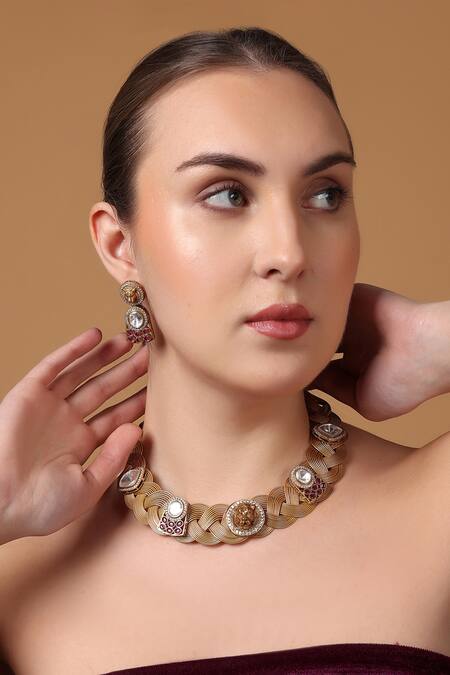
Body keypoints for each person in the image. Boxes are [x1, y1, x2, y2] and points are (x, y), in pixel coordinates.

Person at [0, 26, 448, 675]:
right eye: (228, 195)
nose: (289, 253)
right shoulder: (19, 578)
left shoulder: (438, 510)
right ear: (120, 246)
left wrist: (439, 340)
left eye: (325, 194)